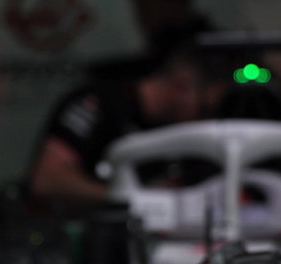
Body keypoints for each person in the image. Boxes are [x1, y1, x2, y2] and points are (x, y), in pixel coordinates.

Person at [26, 48, 208, 207]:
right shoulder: (99, 103)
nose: (204, 119)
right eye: (203, 108)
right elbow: (47, 180)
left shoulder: (172, 127)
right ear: (181, 85)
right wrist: (132, 198)